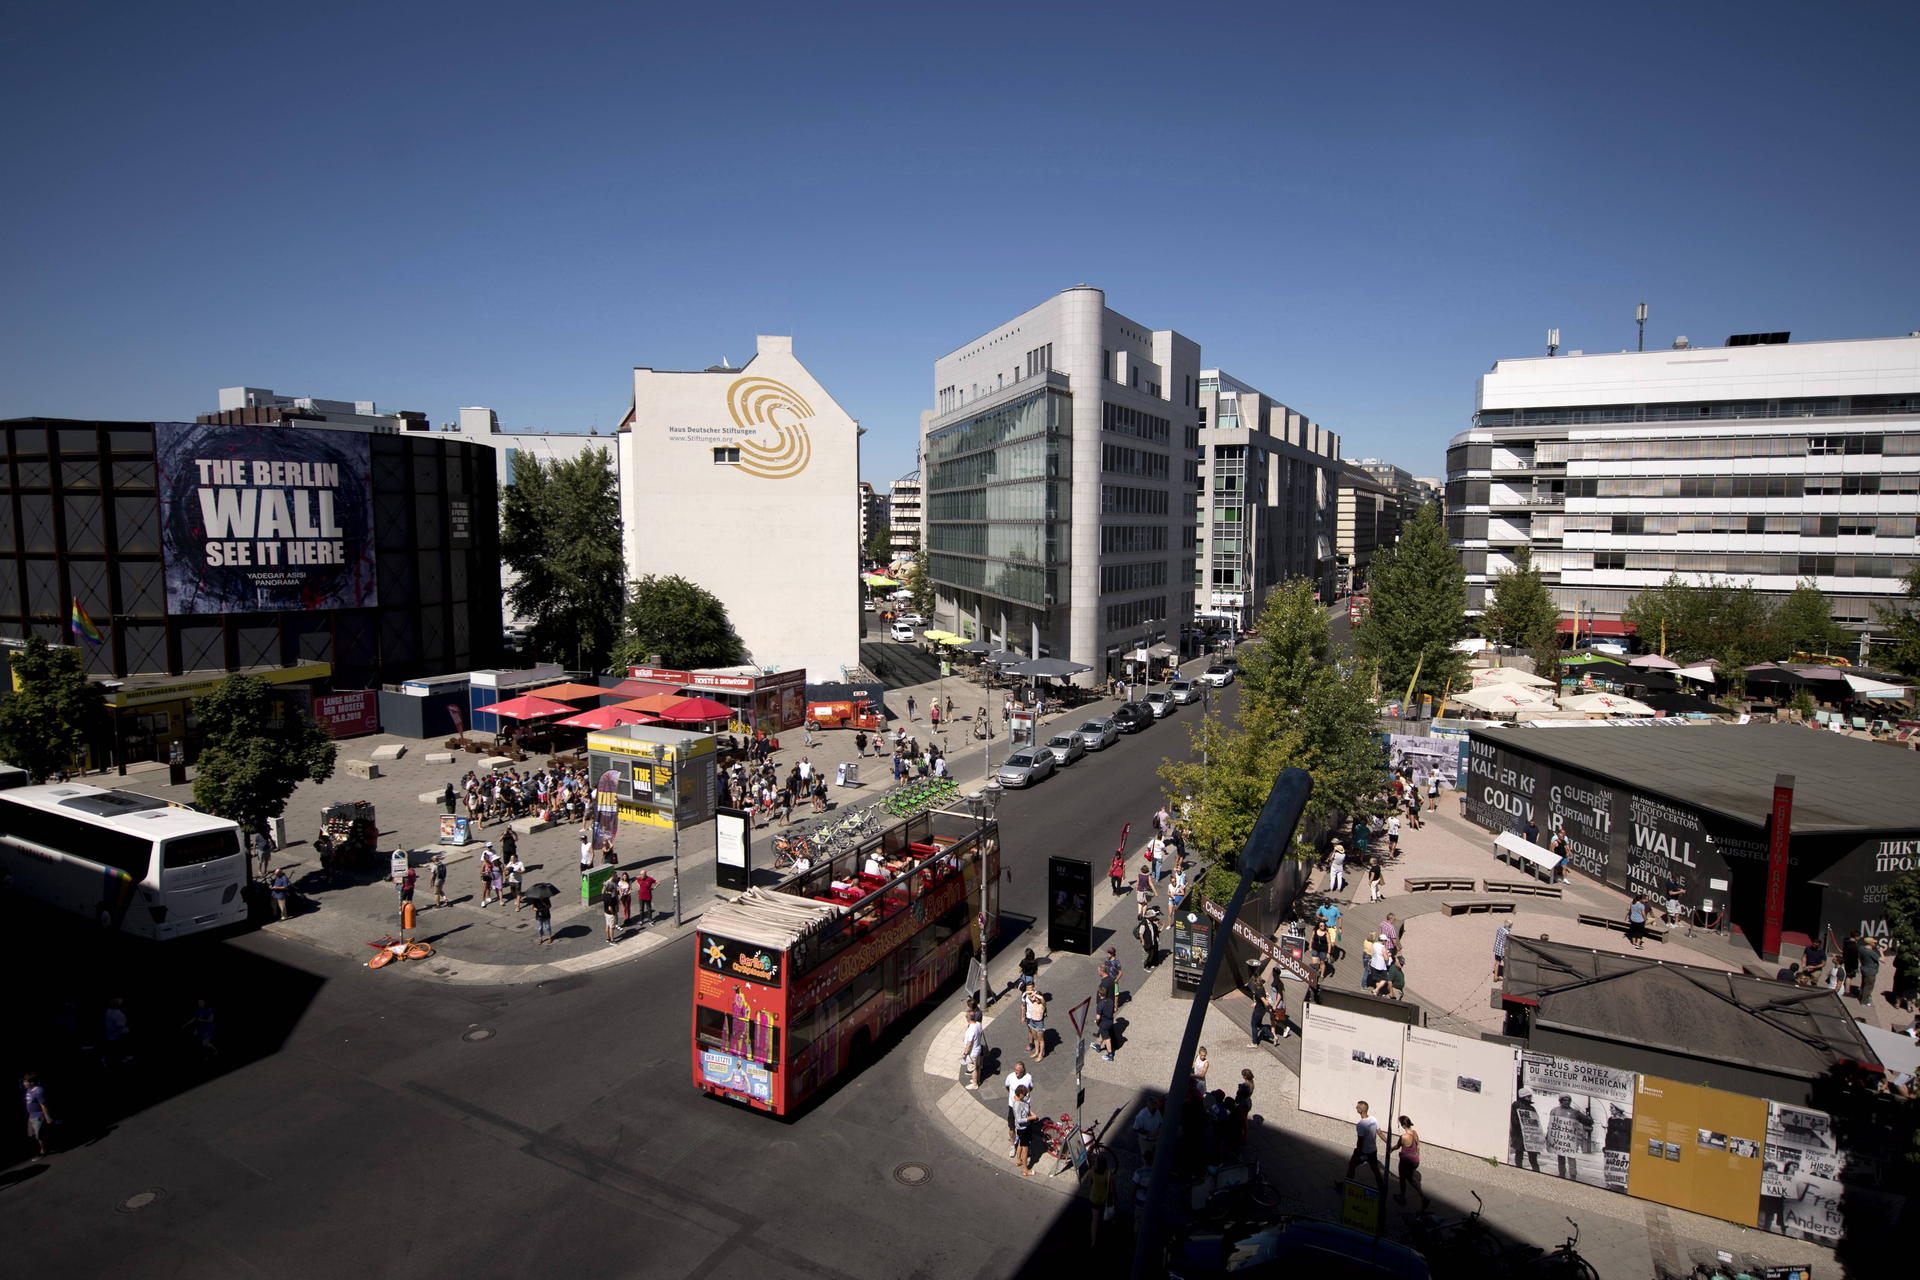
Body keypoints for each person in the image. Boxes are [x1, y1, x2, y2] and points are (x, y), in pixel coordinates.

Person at [1545, 1094, 1592, 1179]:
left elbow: (1588, 1121)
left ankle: (1573, 1174)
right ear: (1560, 1101)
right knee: (1560, 1156)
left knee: (1571, 1156)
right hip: (1559, 1139)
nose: (1566, 1102)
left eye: (1568, 1100)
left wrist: (1587, 1116)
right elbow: (1551, 1125)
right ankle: (1561, 1173)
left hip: (1570, 1140)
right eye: (1564, 1100)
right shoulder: (1554, 1111)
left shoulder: (1575, 1112)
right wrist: (1548, 1135)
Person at [1345, 1101, 1384, 1189]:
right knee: (1376, 1171)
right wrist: (1388, 1142)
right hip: (1372, 1151)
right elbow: (1380, 1133)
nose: (1356, 1107)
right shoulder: (1374, 1119)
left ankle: (1346, 1185)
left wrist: (1358, 1153)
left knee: (1352, 1166)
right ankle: (1382, 1189)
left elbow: (1360, 1141)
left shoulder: (1361, 1125)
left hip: (1363, 1152)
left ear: (1362, 1109)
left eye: (1357, 1107)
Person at [1392, 1116, 1428, 1209]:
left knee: (1403, 1178)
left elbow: (1397, 1146)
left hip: (1406, 1161)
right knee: (1410, 1178)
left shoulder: (1403, 1137)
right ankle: (1423, 1197)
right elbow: (1418, 1146)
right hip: (1415, 1160)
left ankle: (1404, 1197)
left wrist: (1390, 1150)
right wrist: (1417, 1156)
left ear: (1403, 1125)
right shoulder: (1414, 1133)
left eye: (1400, 1124)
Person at [1005, 1061, 1035, 1152]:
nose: (1016, 1072)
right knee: (1011, 1126)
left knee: (1025, 1127)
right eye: (1015, 1070)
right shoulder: (1010, 1076)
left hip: (1024, 1105)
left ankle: (1025, 1143)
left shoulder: (1028, 1077)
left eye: (1018, 1070)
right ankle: (1012, 1144)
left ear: (1023, 1070)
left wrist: (1024, 1099)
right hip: (1012, 1106)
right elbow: (1007, 1087)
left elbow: (1030, 1088)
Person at [23, 1072, 52, 1157]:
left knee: (39, 1135)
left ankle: (43, 1151)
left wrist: (47, 1117)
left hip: (38, 1116)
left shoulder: (39, 1091)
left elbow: (43, 1105)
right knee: (34, 1134)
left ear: (31, 1083)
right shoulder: (29, 1089)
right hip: (31, 1116)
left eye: (25, 1082)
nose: (24, 1083)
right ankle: (43, 1148)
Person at [1132, 1094, 1163, 1165]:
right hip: (1146, 1141)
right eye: (1154, 1105)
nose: (1155, 1107)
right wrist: (1148, 1133)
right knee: (1146, 1159)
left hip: (1156, 1139)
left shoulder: (1157, 1112)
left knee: (1156, 1157)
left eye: (1156, 1105)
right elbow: (1135, 1128)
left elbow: (1161, 1122)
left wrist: (1160, 1129)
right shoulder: (1141, 1116)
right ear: (1149, 1105)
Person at [1011, 1084, 1035, 1176]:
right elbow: (1019, 1120)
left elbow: (1026, 1110)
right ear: (1020, 1095)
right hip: (1023, 1129)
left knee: (1021, 1143)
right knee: (1025, 1148)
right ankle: (1025, 1169)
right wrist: (1031, 1118)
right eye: (1024, 1095)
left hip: (1024, 1128)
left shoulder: (1021, 1101)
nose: (1025, 1097)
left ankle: (1018, 1160)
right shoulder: (1017, 1105)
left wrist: (1032, 1114)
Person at [1023, 987, 1049, 1061]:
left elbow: (1042, 999)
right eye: (1035, 998)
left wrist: (1037, 995)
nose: (1036, 999)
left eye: (1037, 998)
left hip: (1039, 1023)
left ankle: (1041, 1054)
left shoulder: (1042, 1005)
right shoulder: (1033, 1002)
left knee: (1041, 1040)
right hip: (1032, 1022)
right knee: (1035, 1039)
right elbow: (1027, 994)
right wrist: (1033, 993)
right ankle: (1037, 1052)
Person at [960, 1008, 984, 1088]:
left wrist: (965, 1053)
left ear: (968, 1018)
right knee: (978, 1066)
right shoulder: (978, 1024)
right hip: (978, 1049)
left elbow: (969, 1044)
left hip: (972, 1052)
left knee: (972, 1068)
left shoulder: (971, 1029)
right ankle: (977, 1079)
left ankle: (974, 1084)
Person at [1859, 937, 1883, 1005]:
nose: (1875, 943)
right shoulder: (1871, 952)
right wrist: (1881, 952)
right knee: (1868, 987)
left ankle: (1861, 996)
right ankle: (1864, 1001)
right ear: (1870, 943)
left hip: (1864, 968)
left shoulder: (1861, 948)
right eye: (1874, 942)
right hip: (1870, 972)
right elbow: (1883, 960)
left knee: (1863, 984)